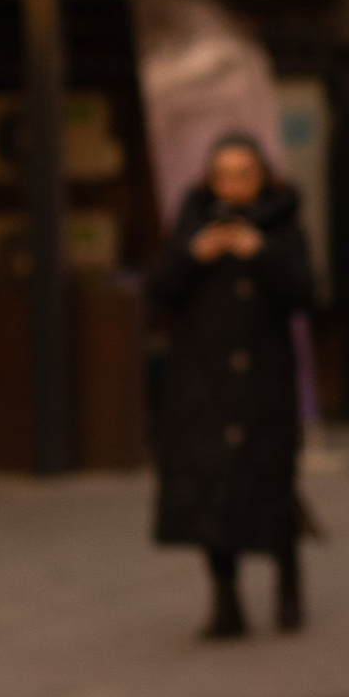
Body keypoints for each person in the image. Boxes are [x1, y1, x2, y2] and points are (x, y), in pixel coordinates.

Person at [147, 132, 315, 640]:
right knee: (209, 486)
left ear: (262, 178)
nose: (234, 186)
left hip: (264, 385)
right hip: (202, 386)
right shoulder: (192, 224)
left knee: (271, 482)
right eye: (224, 175)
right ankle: (225, 601)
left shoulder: (283, 227)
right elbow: (158, 292)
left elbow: (307, 294)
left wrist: (260, 252)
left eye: (244, 174)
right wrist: (194, 255)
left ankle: (287, 582)